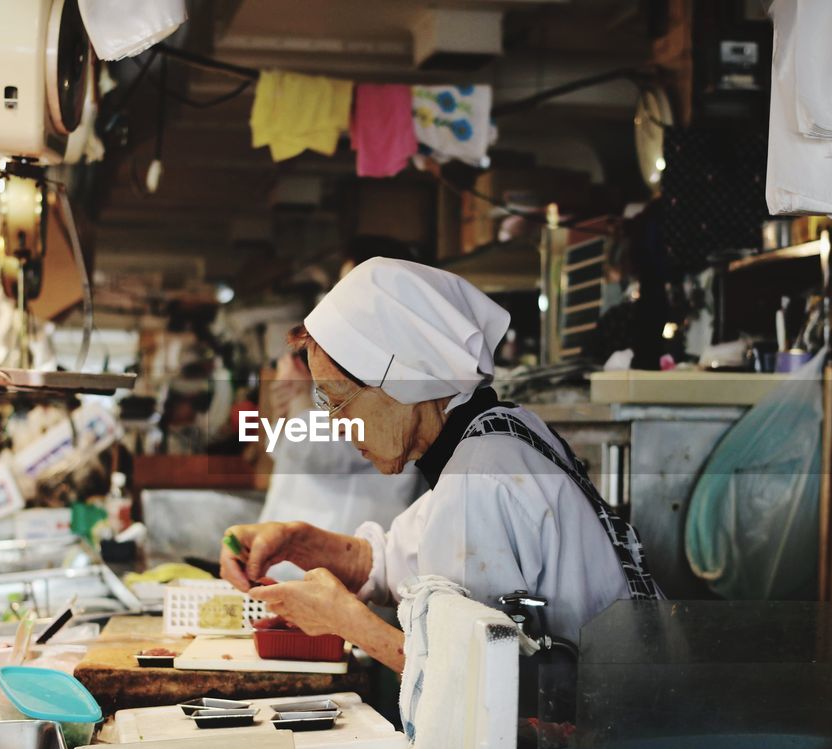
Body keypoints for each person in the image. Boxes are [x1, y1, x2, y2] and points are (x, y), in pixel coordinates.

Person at [220, 258, 660, 672]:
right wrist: (295, 540)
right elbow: (393, 561)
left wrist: (346, 621)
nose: (337, 427)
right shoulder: (496, 434)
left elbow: (486, 684)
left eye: (340, 403)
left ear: (400, 379)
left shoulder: (479, 478)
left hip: (606, 736)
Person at [256, 347, 424, 580]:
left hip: (344, 563)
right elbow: (279, 448)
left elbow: (319, 451)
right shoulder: (318, 384)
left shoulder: (375, 386)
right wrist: (282, 410)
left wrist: (299, 398)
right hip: (290, 564)